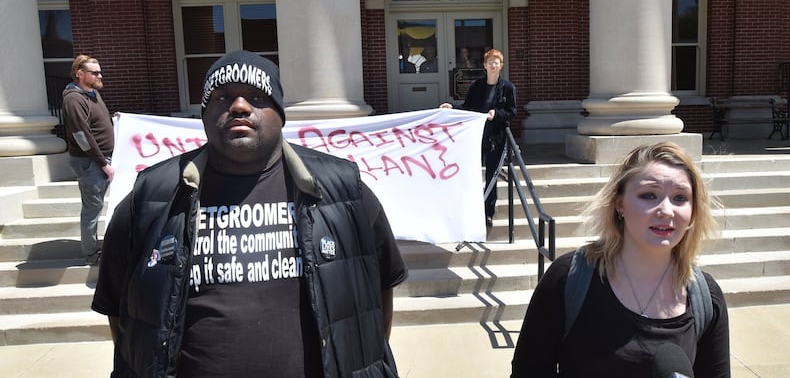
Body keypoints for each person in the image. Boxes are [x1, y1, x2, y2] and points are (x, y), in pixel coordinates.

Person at [91, 50, 407, 377]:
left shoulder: (344, 192)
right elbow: (122, 315)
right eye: (222, 97)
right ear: (203, 114)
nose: (239, 106)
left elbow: (378, 296)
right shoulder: (150, 198)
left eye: (257, 97)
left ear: (280, 114)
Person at [511, 142, 730, 377]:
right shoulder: (568, 279)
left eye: (680, 198)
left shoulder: (706, 297)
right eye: (649, 195)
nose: (666, 211)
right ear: (619, 203)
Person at [439, 48, 516, 226]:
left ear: (501, 65)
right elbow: (468, 109)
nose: (493, 65)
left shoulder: (508, 88)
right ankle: (469, 208)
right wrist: (452, 108)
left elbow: (511, 111)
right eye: (490, 62)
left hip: (496, 138)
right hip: (475, 136)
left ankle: (488, 211)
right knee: (470, 173)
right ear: (484, 65)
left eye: (496, 62)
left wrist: (496, 114)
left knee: (491, 174)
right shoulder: (477, 86)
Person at [62, 54, 114, 265]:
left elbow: (95, 122)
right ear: (79, 74)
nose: (99, 75)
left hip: (99, 159)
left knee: (96, 205)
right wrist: (103, 163)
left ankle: (92, 247)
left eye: (99, 71)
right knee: (92, 207)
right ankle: (91, 254)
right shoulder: (74, 99)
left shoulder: (92, 93)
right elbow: (82, 136)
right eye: (94, 73)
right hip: (90, 162)